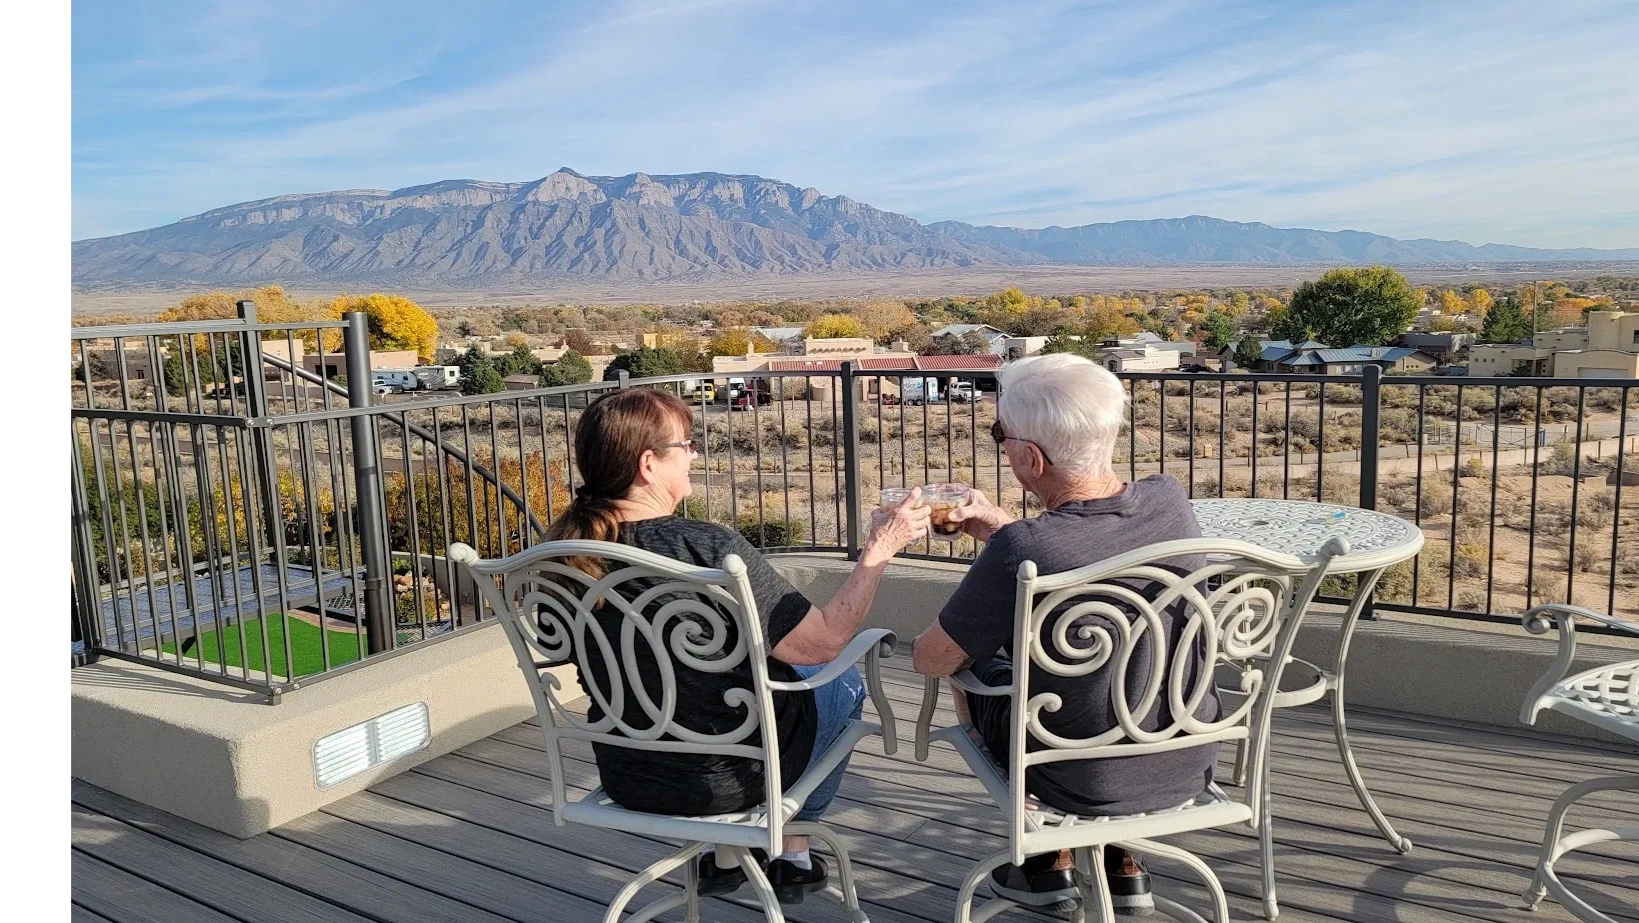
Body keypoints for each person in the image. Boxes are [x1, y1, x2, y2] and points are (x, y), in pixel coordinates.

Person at [545, 388, 930, 905]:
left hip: (628, 775)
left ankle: (725, 856)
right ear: (649, 464)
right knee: (840, 675)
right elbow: (821, 643)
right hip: (731, 780)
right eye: (687, 444)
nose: (696, 455)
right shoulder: (705, 548)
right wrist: (880, 549)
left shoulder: (559, 557)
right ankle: (793, 851)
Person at [912, 354, 1219, 918]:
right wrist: (1003, 529)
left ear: (1030, 456)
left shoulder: (1024, 548)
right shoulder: (1169, 500)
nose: (1001, 446)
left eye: (1000, 436)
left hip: (1080, 777)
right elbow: (1088, 550)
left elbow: (931, 659)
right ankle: (1123, 864)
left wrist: (1004, 548)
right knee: (1129, 662)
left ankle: (1044, 859)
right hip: (1187, 756)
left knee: (979, 666)